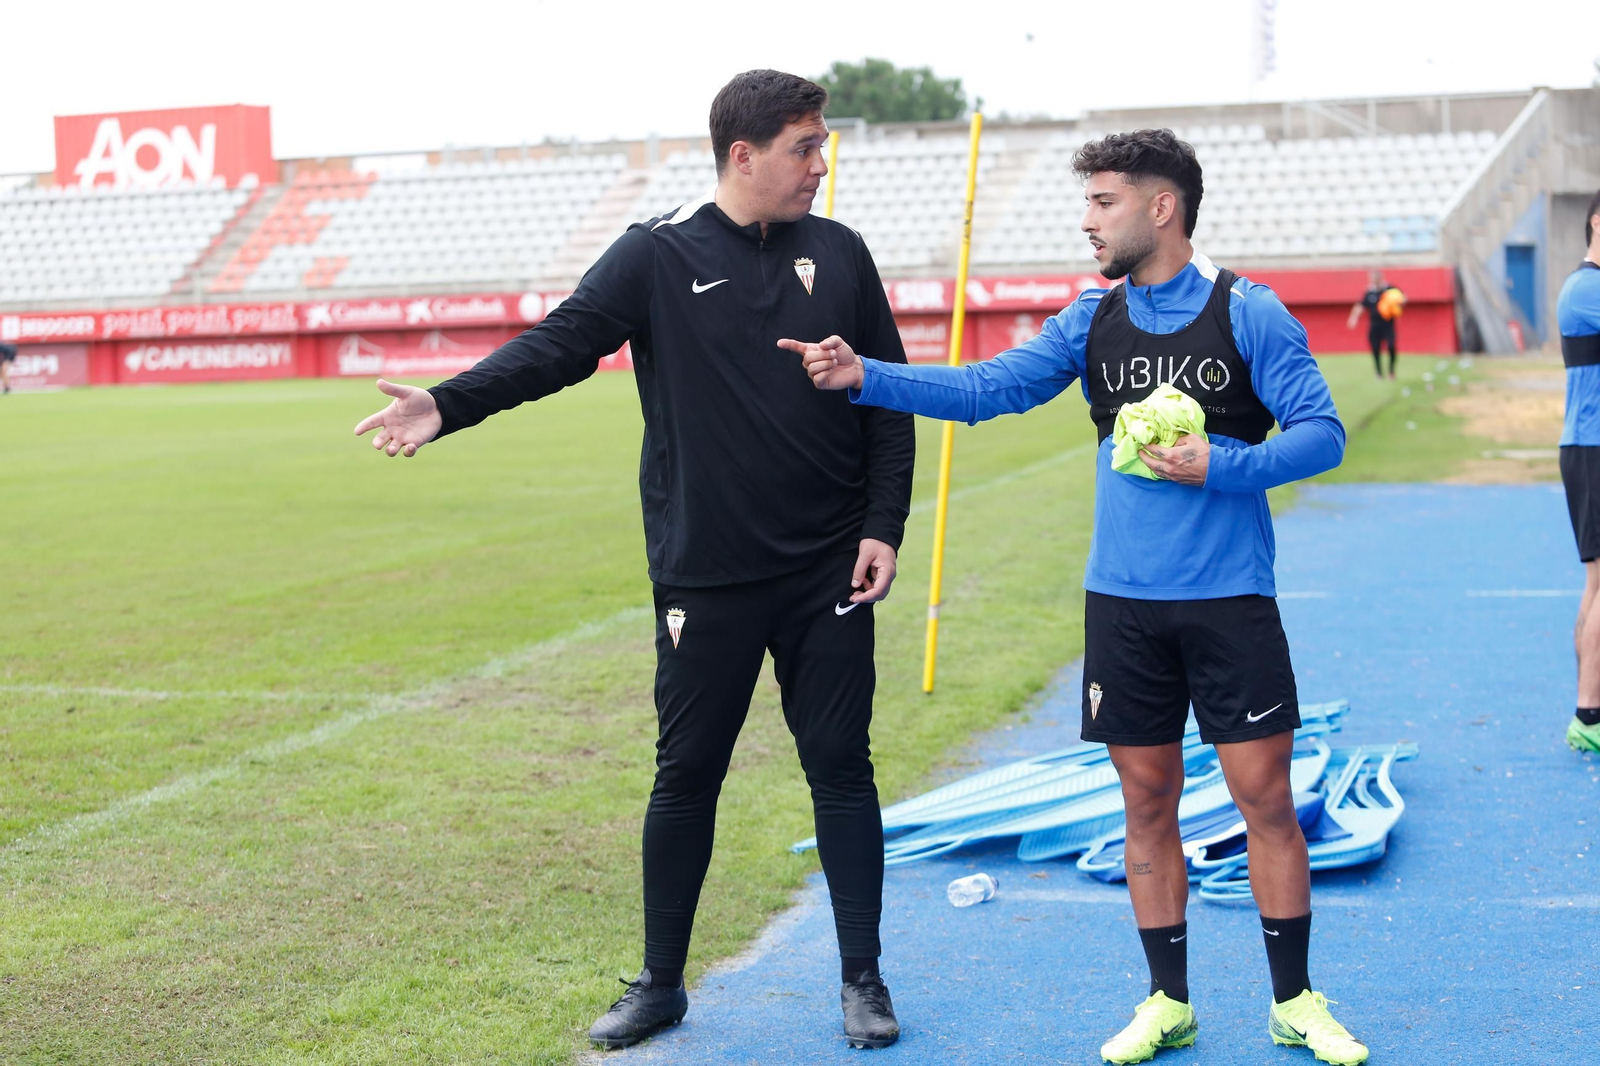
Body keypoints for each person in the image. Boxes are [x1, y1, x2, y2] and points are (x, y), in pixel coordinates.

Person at [353, 70, 915, 1051]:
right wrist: (446, 403)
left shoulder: (842, 253)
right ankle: (660, 982)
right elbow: (559, 346)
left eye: (820, 146)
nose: (818, 166)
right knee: (685, 773)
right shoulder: (657, 253)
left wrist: (883, 525)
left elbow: (888, 395)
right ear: (743, 155)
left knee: (840, 767)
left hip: (829, 569)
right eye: (803, 147)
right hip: (705, 575)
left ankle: (862, 979)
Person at [784, 129, 1369, 1065]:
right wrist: (867, 377)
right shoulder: (1091, 318)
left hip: (1228, 601)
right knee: (1146, 801)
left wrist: (1225, 465)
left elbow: (1323, 434)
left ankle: (1295, 1000)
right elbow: (988, 391)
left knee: (1264, 800)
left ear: (1161, 207)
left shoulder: (1249, 312)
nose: (1087, 221)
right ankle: (1167, 1002)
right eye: (1087, 202)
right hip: (1123, 605)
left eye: (1104, 202)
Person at [1558, 188, 1600, 754]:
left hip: (1590, 445)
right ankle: (1588, 714)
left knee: (1596, 585)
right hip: (1594, 446)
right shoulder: (1586, 288)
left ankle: (1590, 708)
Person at [1346, 270, 1400, 379]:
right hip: (1375, 326)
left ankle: (1391, 371)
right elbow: (1361, 305)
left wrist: (1398, 304)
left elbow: (1402, 298)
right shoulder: (1369, 292)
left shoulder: (1390, 290)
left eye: (1375, 278)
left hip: (1388, 326)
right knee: (1375, 349)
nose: (1373, 281)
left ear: (1380, 278)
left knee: (1391, 346)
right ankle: (1379, 373)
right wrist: (1353, 318)